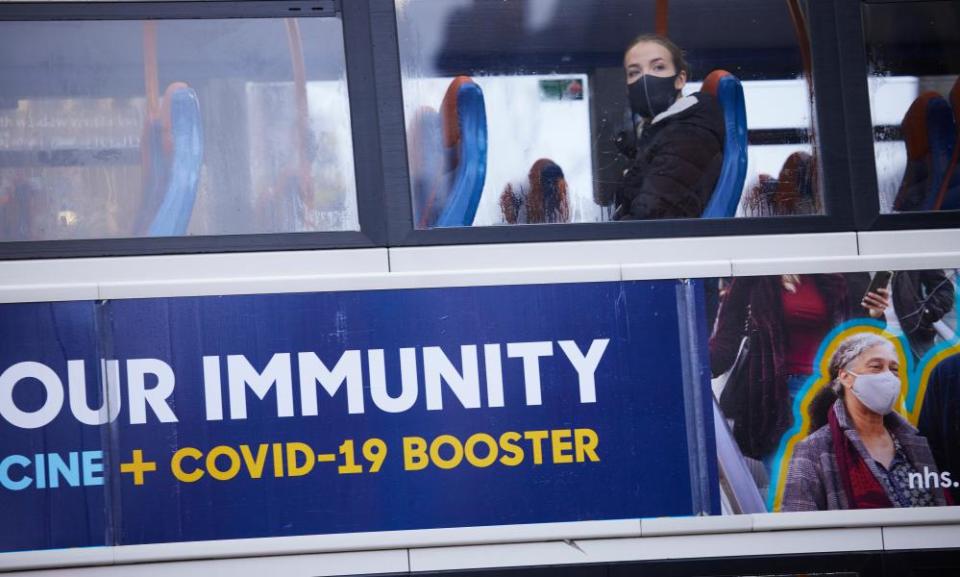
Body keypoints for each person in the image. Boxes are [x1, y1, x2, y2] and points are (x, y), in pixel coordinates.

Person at [782, 333, 950, 511]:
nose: (889, 377)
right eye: (876, 367)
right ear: (846, 377)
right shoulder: (814, 450)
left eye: (894, 370)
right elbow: (800, 524)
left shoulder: (916, 442)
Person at [710, 274, 854, 461]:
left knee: (828, 481)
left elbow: (853, 337)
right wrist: (691, 368)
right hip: (777, 399)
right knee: (786, 483)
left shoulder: (831, 278)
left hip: (827, 395)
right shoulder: (755, 278)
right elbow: (726, 341)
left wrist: (875, 314)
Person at [613, 34, 724, 220]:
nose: (645, 78)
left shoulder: (688, 134)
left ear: (680, 79)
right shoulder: (656, 134)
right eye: (634, 72)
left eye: (658, 67)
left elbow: (651, 216)